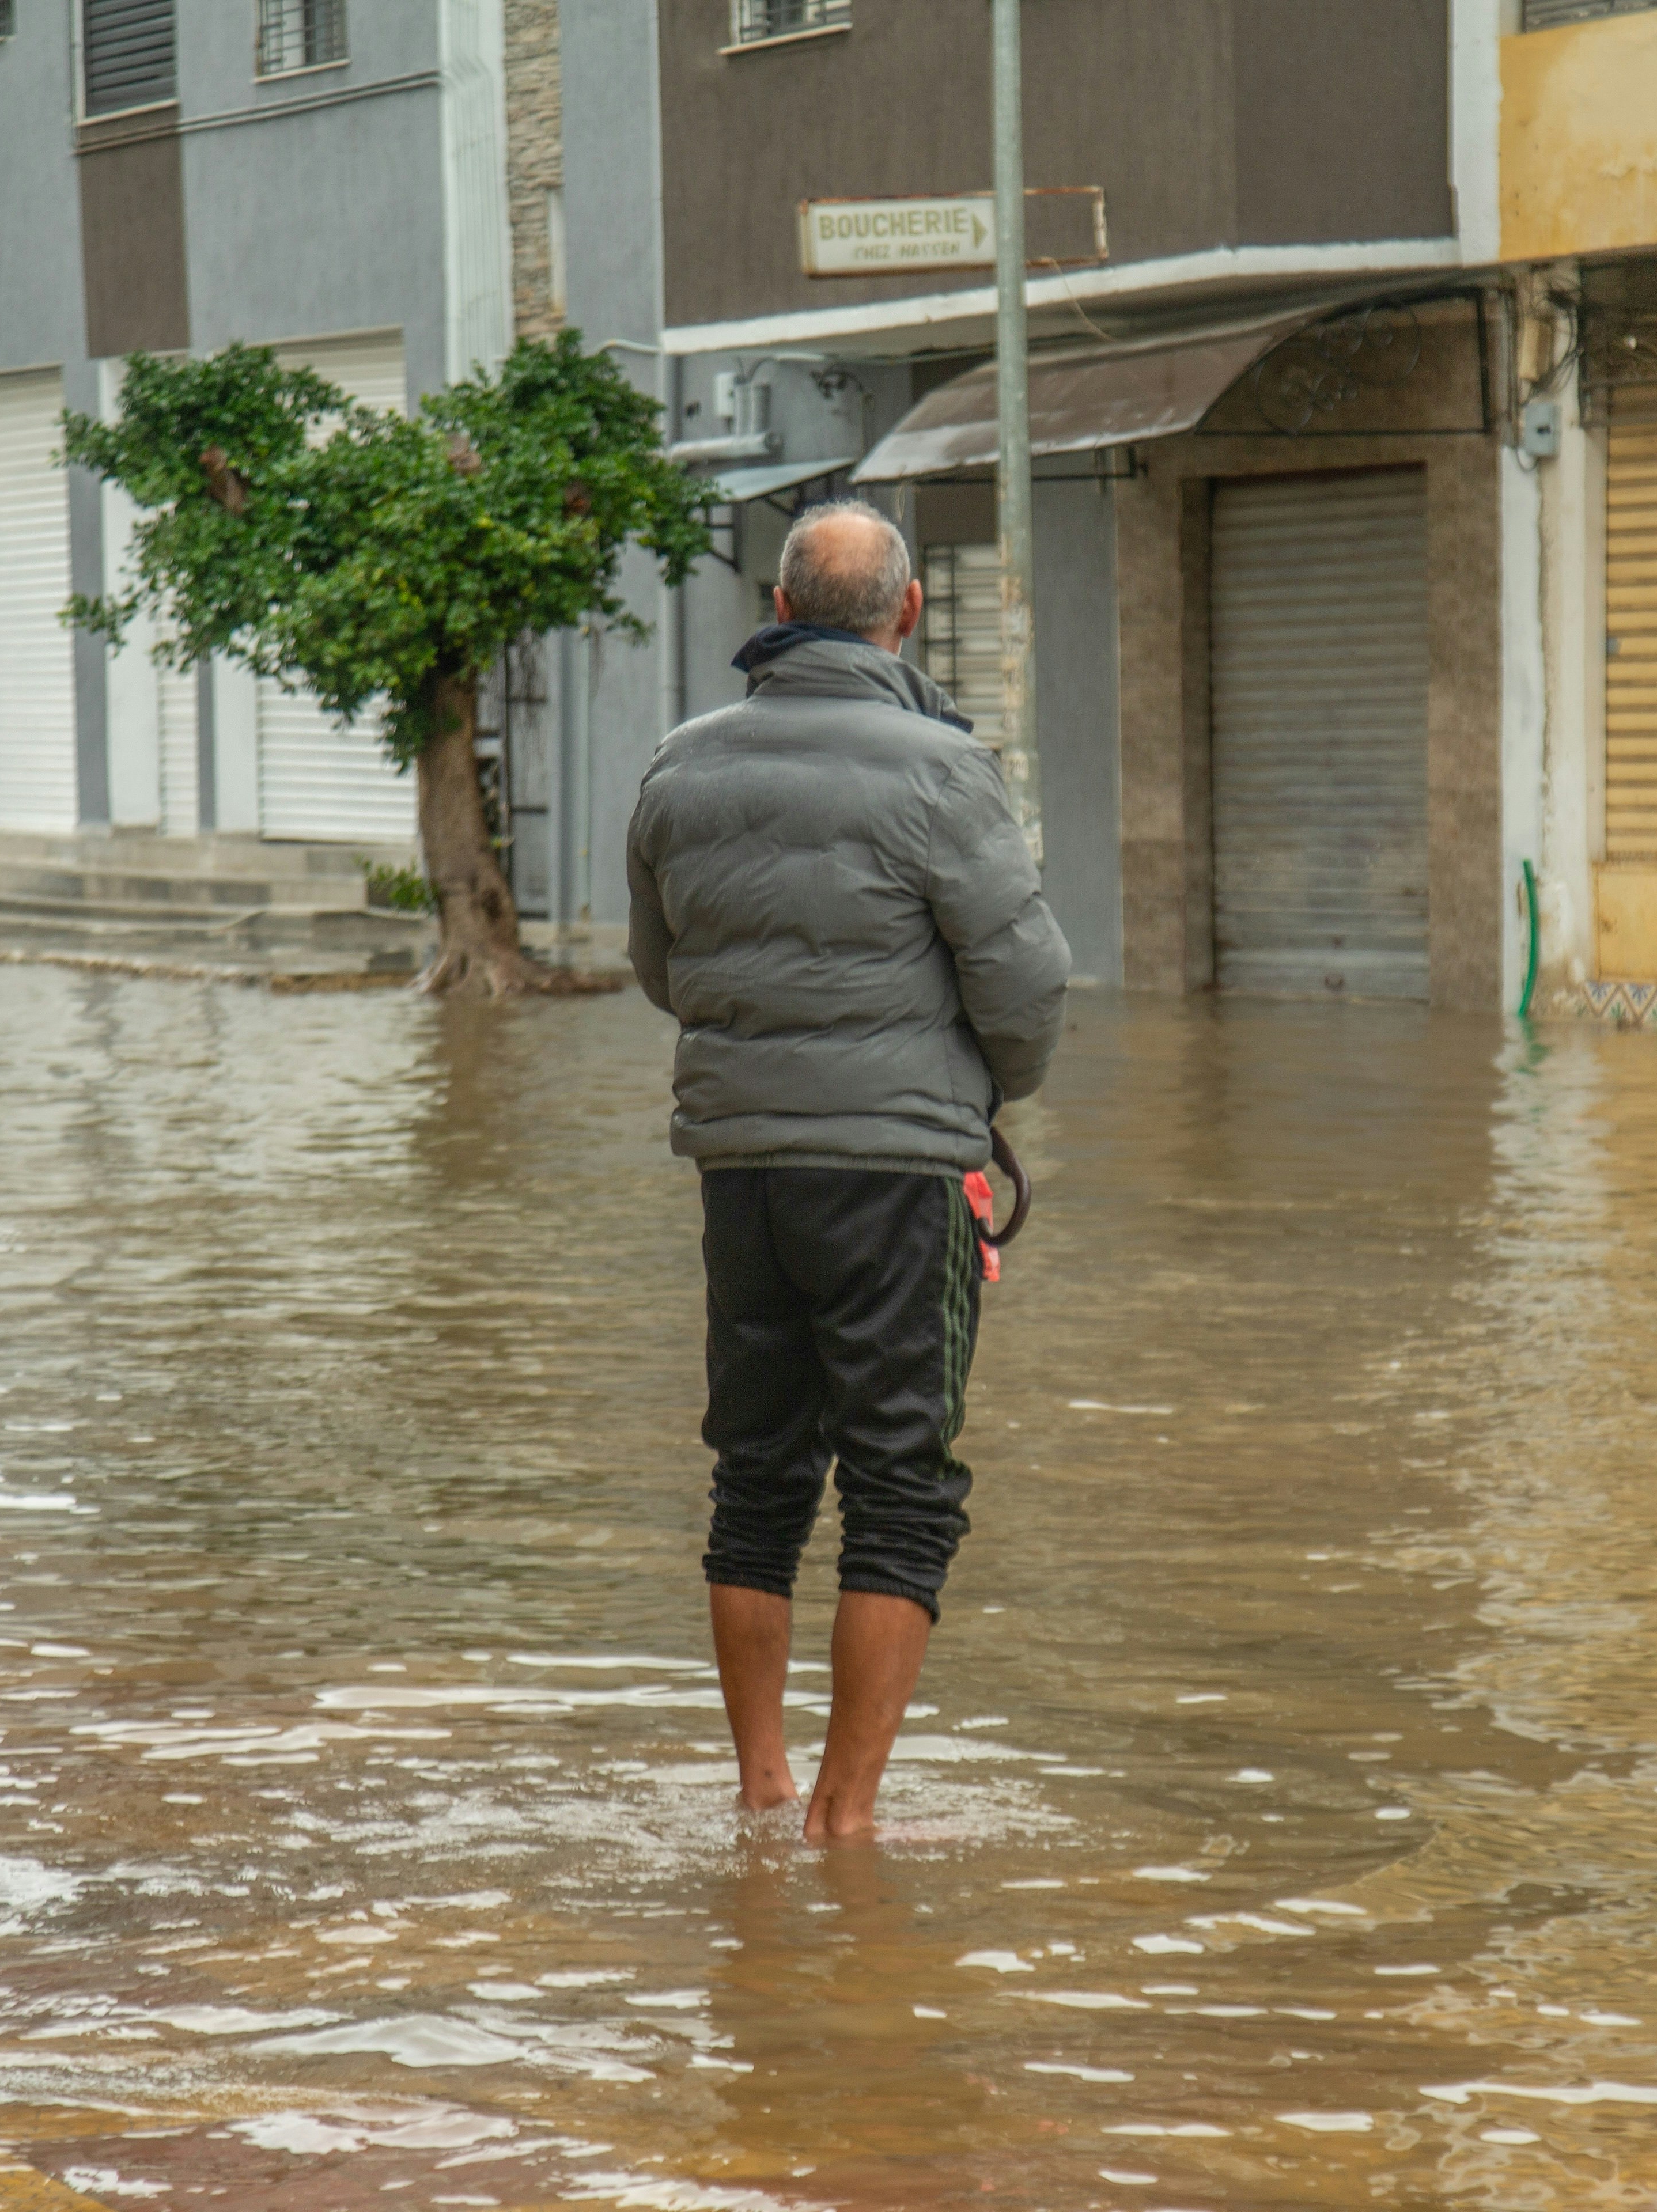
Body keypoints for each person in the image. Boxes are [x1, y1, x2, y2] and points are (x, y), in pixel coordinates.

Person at [627, 501, 1071, 1846]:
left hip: (741, 1168)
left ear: (772, 601)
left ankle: (760, 1791)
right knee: (898, 1480)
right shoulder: (943, 768)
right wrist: (979, 1091)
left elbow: (663, 970)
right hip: (895, 1175)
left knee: (754, 1476)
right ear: (907, 613)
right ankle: (845, 1817)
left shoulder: (675, 767)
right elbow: (1026, 984)